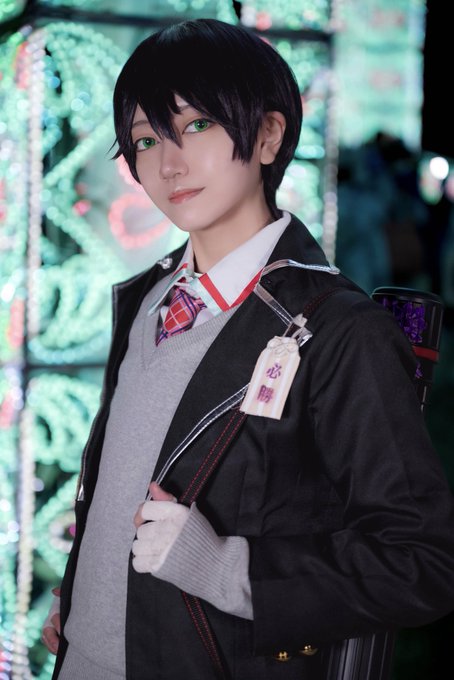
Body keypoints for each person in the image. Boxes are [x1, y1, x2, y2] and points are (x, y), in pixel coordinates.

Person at [41, 18, 454, 680]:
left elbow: (420, 563)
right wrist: (86, 592)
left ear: (267, 135)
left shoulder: (339, 330)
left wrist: (226, 569)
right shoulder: (146, 301)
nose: (169, 164)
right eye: (146, 140)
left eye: (197, 125)